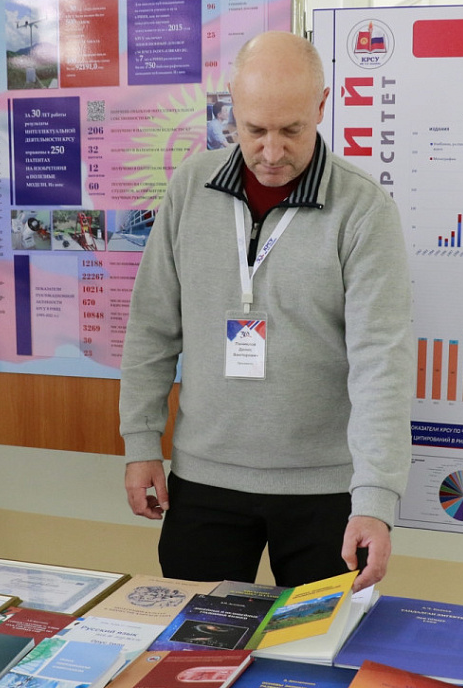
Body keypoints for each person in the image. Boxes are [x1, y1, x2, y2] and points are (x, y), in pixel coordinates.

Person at [119, 31, 412, 594]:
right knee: (196, 639)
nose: (272, 153)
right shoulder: (190, 189)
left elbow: (383, 363)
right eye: (255, 130)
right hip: (203, 481)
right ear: (231, 104)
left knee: (318, 646)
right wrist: (140, 442)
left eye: (291, 130)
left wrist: (375, 499)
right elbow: (151, 327)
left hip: (325, 492)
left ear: (322, 106)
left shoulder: (363, 209)